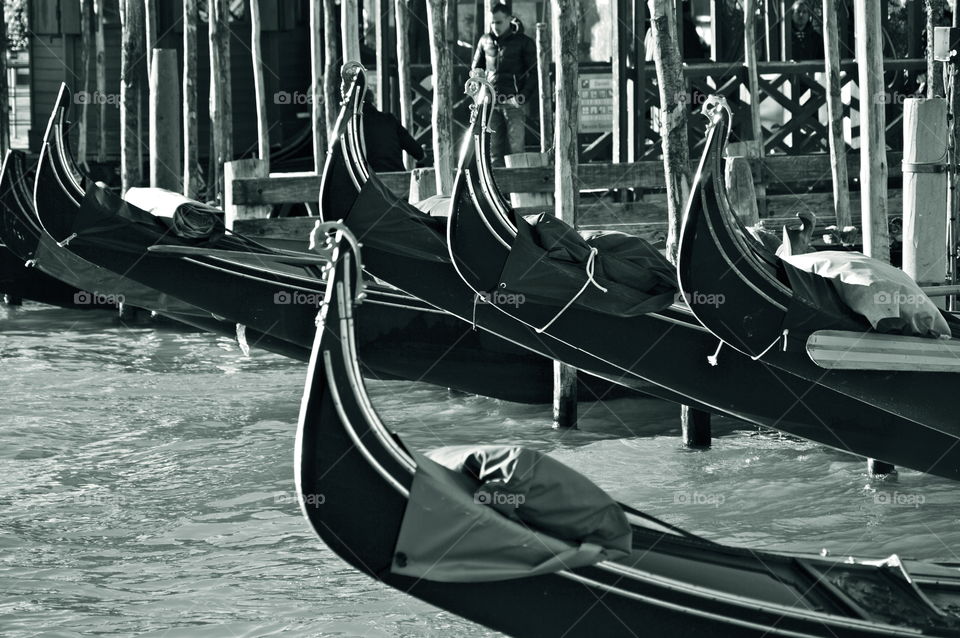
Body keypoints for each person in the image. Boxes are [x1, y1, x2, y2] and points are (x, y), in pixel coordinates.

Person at [471, 2, 537, 166]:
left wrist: (522, 97)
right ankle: (496, 190)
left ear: (509, 19)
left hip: (513, 102)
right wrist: (478, 91)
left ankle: (519, 191)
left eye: (499, 22)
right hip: (490, 102)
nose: (495, 26)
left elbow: (535, 74)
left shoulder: (524, 41)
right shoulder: (484, 40)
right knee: (493, 151)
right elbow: (475, 69)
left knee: (516, 151)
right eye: (492, 22)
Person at [362, 93, 425, 172]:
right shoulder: (389, 120)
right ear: (372, 100)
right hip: (397, 176)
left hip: (369, 180)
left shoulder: (352, 125)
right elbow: (418, 153)